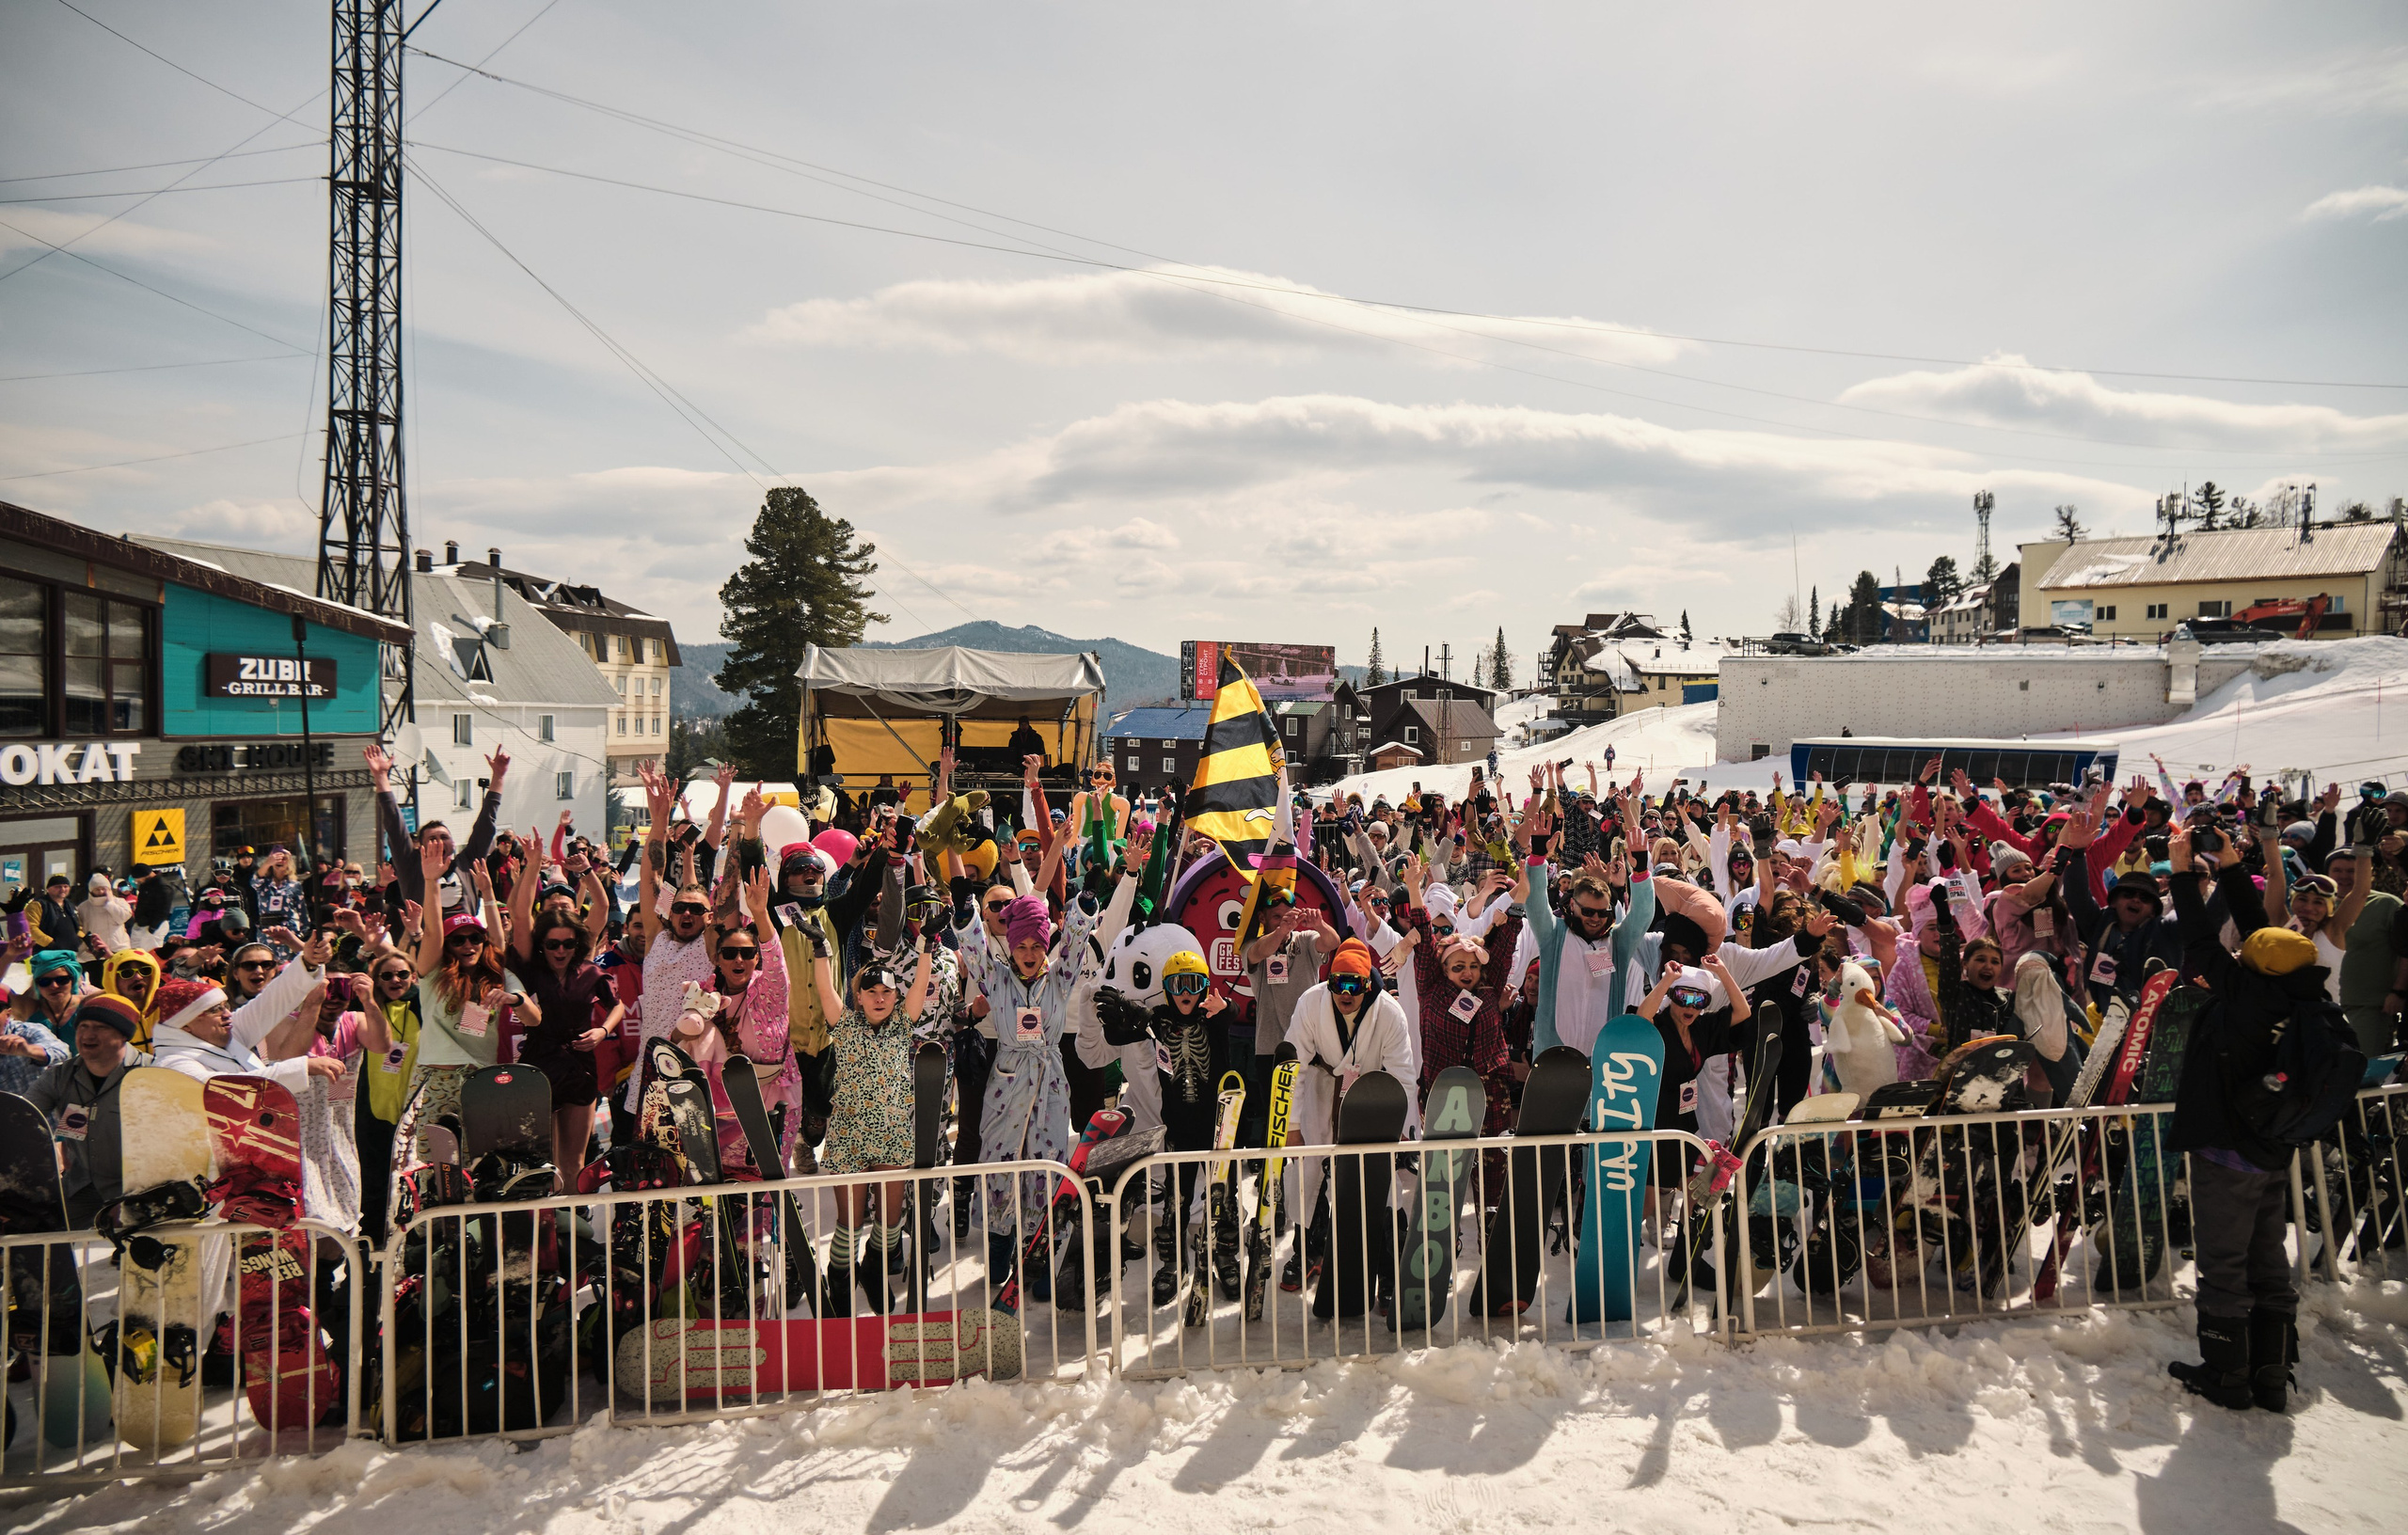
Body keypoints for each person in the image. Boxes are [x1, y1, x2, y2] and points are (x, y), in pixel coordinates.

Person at [2163, 825, 2327, 1413]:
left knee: (2223, 1263)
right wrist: (2231, 866)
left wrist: (2184, 873)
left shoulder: (2243, 994)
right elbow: (2260, 931)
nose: (2242, 949)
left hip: (2226, 1148)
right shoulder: (2305, 992)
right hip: (2270, 1148)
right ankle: (2270, 1370)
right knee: (2266, 1259)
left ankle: (2227, 1373)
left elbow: (2201, 939)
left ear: (2254, 967)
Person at [811, 939, 935, 1316]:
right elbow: (825, 989)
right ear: (859, 997)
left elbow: (920, 984)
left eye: (887, 992)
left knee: (890, 1222)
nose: (880, 998)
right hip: (849, 1137)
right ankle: (840, 1279)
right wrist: (821, 950)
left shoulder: (902, 1024)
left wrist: (927, 945)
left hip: (893, 1137)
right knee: (849, 1224)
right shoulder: (845, 1025)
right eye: (871, 991)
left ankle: (874, 1270)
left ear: (896, 998)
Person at [149, 926, 336, 1091]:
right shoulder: (173, 1063)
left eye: (226, 1006)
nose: (227, 1014)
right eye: (215, 1010)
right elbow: (222, 1087)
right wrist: (301, 1068)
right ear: (185, 1025)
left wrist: (308, 962)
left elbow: (272, 1001)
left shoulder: (225, 1034)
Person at [514, 907, 619, 1191]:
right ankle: (547, 1228)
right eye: (552, 944)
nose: (561, 951)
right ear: (541, 945)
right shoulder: (530, 971)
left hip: (579, 1066)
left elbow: (617, 1006)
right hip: (538, 1065)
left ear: (578, 944)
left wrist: (603, 1030)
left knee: (573, 1162)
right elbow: (519, 914)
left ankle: (572, 1226)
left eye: (568, 944)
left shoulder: (591, 973)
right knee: (540, 1162)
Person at [23, 994, 149, 1225]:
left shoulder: (153, 1073)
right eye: (83, 1026)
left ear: (123, 1035)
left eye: (100, 1028)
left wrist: (139, 1196)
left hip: (139, 1189)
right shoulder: (60, 1076)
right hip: (82, 1186)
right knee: (36, 1233)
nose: (88, 1035)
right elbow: (21, 1116)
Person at [366, 742, 505, 917]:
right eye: (432, 838)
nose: (439, 842)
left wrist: (498, 777)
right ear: (420, 847)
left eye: (444, 837)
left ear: (454, 844)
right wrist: (381, 777)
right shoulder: (411, 866)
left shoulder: (467, 864)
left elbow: (486, 826)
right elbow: (394, 825)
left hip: (468, 940)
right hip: (426, 941)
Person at [2323, 846, 2404, 1056]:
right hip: (2323, 1006)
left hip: (2369, 1007)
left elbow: (2407, 952)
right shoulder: (2317, 905)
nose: (2344, 876)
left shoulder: (2386, 904)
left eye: (2352, 871)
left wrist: (2398, 991)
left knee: (2361, 1071)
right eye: (2337, 870)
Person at [99, 948, 165, 1049]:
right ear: (112, 980)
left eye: (145, 970)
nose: (138, 977)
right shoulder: (102, 1018)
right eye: (127, 973)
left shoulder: (168, 1008)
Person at [250, 847, 309, 957]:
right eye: (277, 858)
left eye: (284, 859)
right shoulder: (263, 883)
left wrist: (298, 935)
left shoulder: (294, 885)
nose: (280, 861)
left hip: (287, 929)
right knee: (267, 962)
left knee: (287, 965)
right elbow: (254, 881)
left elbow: (303, 912)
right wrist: (268, 863)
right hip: (267, 931)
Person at [77, 873, 133, 957]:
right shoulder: (83, 907)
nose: (101, 892)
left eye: (103, 889)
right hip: (95, 953)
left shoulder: (119, 902)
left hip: (119, 948)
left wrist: (110, 904)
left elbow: (123, 917)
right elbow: (79, 929)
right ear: (91, 890)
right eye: (97, 889)